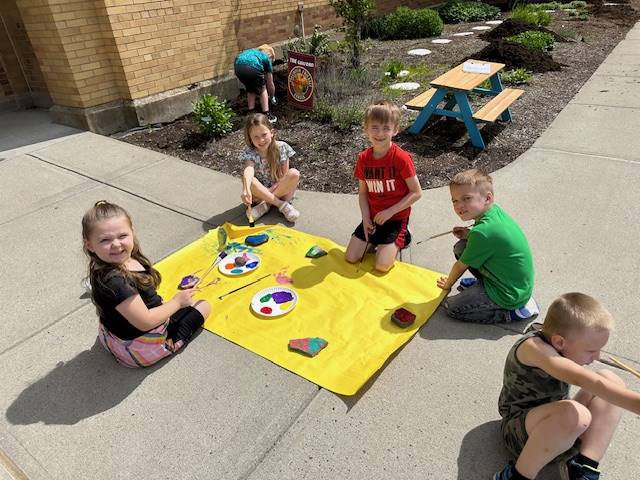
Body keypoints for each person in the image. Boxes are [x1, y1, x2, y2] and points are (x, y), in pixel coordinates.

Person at [494, 293, 640, 480]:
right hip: (518, 430)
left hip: (556, 422)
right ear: (559, 342)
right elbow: (584, 380)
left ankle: (582, 467)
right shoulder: (534, 349)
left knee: (612, 379)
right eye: (591, 350)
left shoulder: (559, 343)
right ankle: (517, 475)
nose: (596, 357)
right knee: (577, 414)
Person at [82, 200, 211, 368]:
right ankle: (167, 345)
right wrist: (177, 302)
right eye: (105, 240)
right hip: (140, 348)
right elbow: (146, 321)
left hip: (114, 335)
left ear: (132, 232)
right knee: (203, 305)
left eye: (122, 236)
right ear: (89, 244)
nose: (116, 244)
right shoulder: (116, 282)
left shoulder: (104, 264)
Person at [436, 169, 537, 323]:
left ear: (487, 198)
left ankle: (514, 313)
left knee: (452, 308)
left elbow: (460, 266)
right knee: (461, 247)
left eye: (466, 198)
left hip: (509, 294)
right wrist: (468, 234)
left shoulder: (483, 232)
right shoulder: (493, 212)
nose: (459, 205)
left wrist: (448, 284)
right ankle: (482, 284)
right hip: (512, 281)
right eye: (455, 200)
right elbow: (490, 240)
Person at [344, 100, 422, 272]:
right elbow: (363, 193)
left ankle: (404, 236)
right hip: (373, 218)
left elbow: (416, 193)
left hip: (395, 218)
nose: (380, 133)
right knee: (351, 257)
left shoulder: (401, 158)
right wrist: (365, 218)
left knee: (382, 266)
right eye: (375, 127)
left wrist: (390, 212)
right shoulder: (363, 158)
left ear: (395, 130)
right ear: (365, 129)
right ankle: (379, 239)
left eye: (386, 128)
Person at [240, 113, 300, 223]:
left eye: (264, 135)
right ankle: (281, 205)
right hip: (260, 191)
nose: (261, 140)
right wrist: (246, 189)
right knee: (249, 180)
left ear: (272, 133)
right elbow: (249, 169)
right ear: (250, 138)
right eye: (256, 137)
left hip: (278, 189)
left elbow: (283, 177)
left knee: (294, 174)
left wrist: (265, 196)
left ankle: (265, 204)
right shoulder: (250, 153)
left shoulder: (282, 148)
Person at [234, 44, 277, 123]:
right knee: (263, 88)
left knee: (250, 88)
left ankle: (251, 112)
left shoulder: (252, 52)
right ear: (270, 56)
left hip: (238, 67)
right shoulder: (266, 58)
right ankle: (266, 114)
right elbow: (270, 83)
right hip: (252, 67)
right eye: (272, 61)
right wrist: (272, 96)